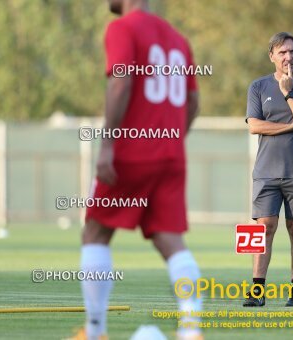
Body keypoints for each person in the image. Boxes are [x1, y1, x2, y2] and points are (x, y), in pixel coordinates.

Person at [69, 0, 202, 339]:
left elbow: (120, 83)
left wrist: (109, 145)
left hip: (131, 151)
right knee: (171, 242)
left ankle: (95, 330)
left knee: (95, 233)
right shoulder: (177, 38)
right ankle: (191, 330)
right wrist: (171, 141)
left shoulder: (122, 28)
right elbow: (193, 102)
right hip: (171, 154)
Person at [244, 32, 293, 307]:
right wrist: (289, 126)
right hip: (266, 172)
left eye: (292, 51)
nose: (288, 57)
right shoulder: (258, 86)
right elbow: (254, 125)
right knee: (263, 228)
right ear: (272, 56)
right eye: (282, 52)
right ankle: (256, 292)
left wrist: (289, 93)